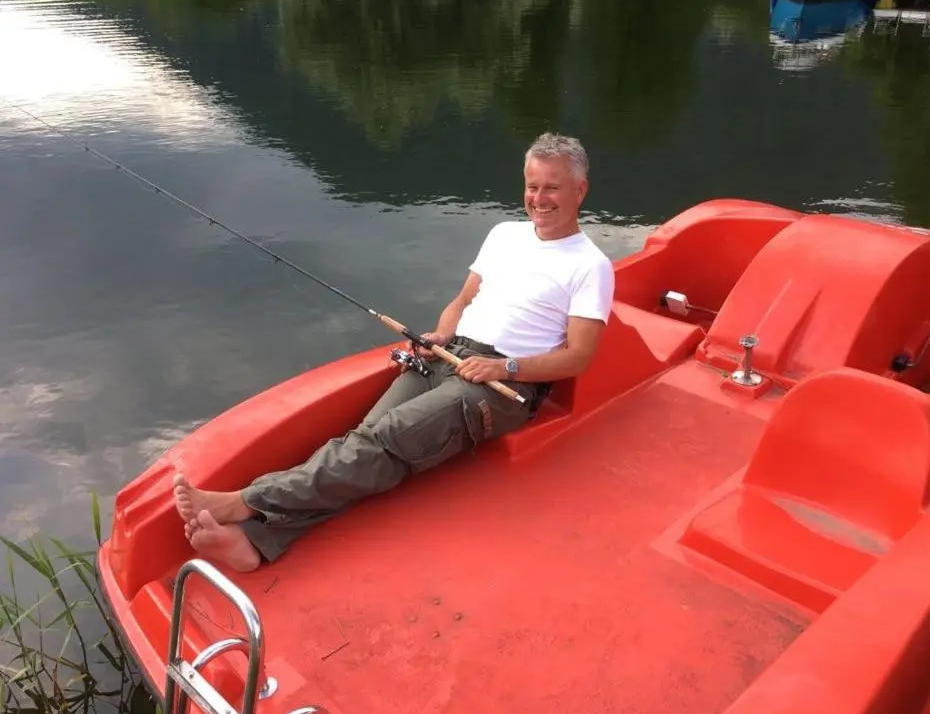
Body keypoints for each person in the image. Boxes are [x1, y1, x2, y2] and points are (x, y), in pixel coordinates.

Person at [172, 132, 615, 572]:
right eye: (532, 186)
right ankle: (257, 542)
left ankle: (245, 502)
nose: (539, 198)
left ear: (579, 191)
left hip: (502, 387)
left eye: (552, 187)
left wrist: (503, 366)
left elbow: (579, 356)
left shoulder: (589, 265)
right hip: (451, 354)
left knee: (385, 440)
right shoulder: (504, 234)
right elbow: (463, 301)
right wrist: (440, 335)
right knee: (367, 441)